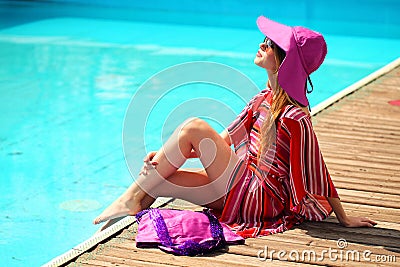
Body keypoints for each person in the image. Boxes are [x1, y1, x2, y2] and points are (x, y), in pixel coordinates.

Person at [93, 16, 377, 237]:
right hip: (239, 188)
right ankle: (116, 218)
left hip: (261, 198)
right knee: (158, 179)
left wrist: (344, 217)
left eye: (269, 44)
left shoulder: (295, 116)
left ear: (284, 61)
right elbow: (221, 141)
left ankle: (128, 198)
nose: (261, 45)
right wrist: (165, 155)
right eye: (263, 40)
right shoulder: (262, 100)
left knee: (193, 125)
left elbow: (317, 170)